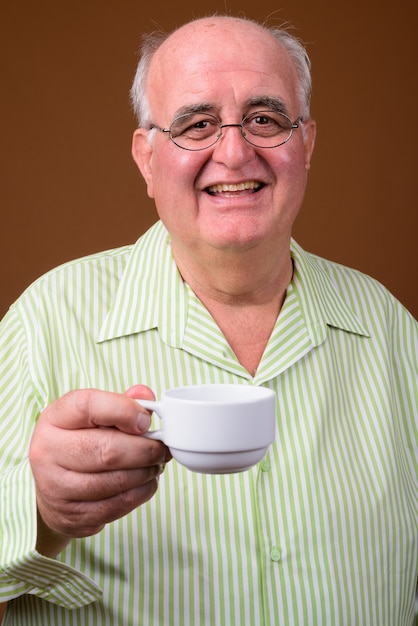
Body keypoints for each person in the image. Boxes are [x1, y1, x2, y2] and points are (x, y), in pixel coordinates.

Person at [0, 14, 416, 626]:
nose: (233, 151)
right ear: (146, 157)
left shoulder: (390, 328)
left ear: (306, 145)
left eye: (265, 119)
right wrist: (37, 510)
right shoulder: (45, 320)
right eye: (197, 125)